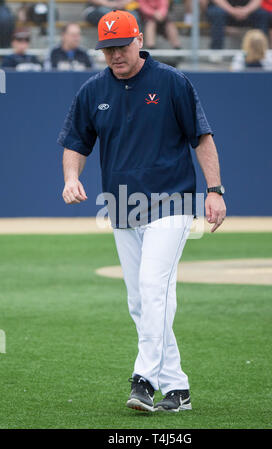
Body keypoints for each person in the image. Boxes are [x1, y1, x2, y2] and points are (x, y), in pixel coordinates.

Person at [57, 10, 226, 413]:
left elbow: (202, 137)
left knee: (153, 287)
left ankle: (144, 380)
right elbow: (75, 143)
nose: (114, 55)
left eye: (120, 46)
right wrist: (70, 178)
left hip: (172, 202)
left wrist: (215, 190)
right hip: (121, 207)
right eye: (107, 48)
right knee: (141, 301)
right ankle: (177, 388)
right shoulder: (92, 90)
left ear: (138, 41)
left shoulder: (171, 82)